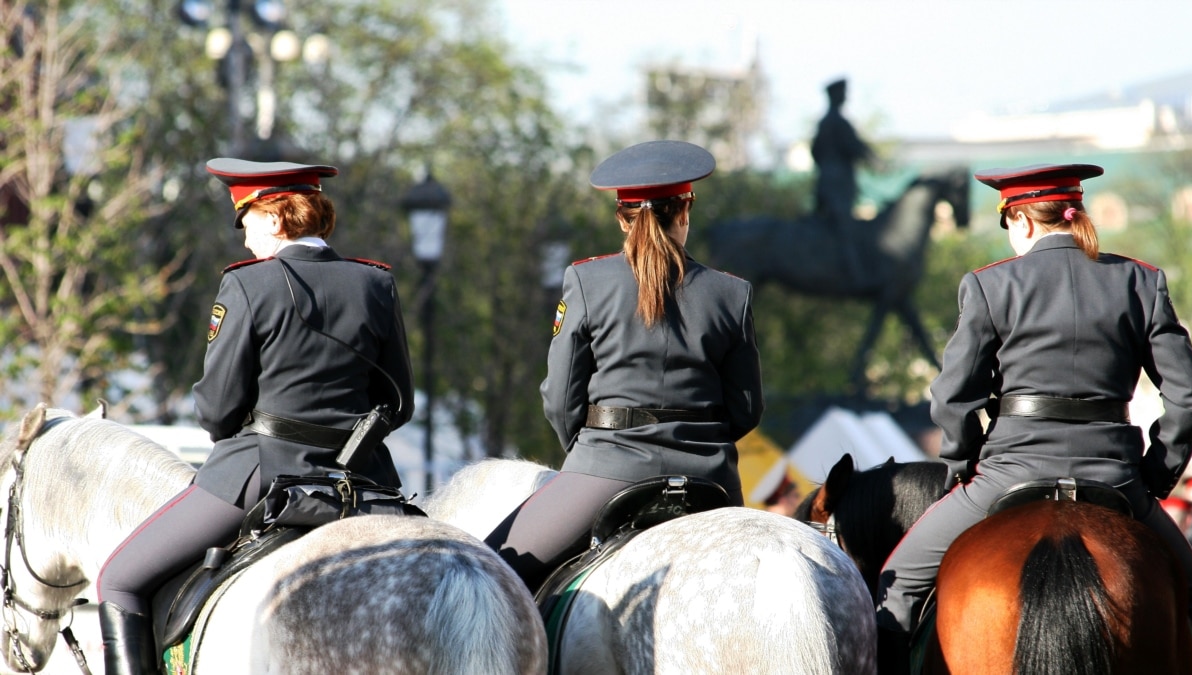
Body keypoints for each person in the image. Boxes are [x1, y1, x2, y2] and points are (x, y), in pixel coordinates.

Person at [875, 163, 1192, 669]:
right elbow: (1189, 394)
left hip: (1008, 475)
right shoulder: (1141, 280)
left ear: (1021, 220)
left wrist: (963, 465)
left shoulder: (989, 285)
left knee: (897, 589)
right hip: (1114, 477)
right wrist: (1156, 473)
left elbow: (953, 397)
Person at [95, 158, 415, 673]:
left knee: (118, 579)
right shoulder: (376, 283)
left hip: (260, 473)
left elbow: (218, 408)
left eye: (245, 221)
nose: (244, 240)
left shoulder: (248, 284)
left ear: (273, 217)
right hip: (364, 479)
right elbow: (398, 402)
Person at [484, 140, 764, 593]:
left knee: (485, 577)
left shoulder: (587, 280)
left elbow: (560, 399)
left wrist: (589, 453)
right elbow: (747, 410)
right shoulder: (732, 293)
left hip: (607, 465)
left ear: (621, 217)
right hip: (710, 480)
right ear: (685, 212)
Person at [811, 78, 874, 229]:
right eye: (843, 93)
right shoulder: (838, 122)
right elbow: (854, 147)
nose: (845, 97)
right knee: (842, 225)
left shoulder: (825, 122)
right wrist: (873, 159)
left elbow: (815, 151)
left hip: (826, 178)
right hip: (839, 181)